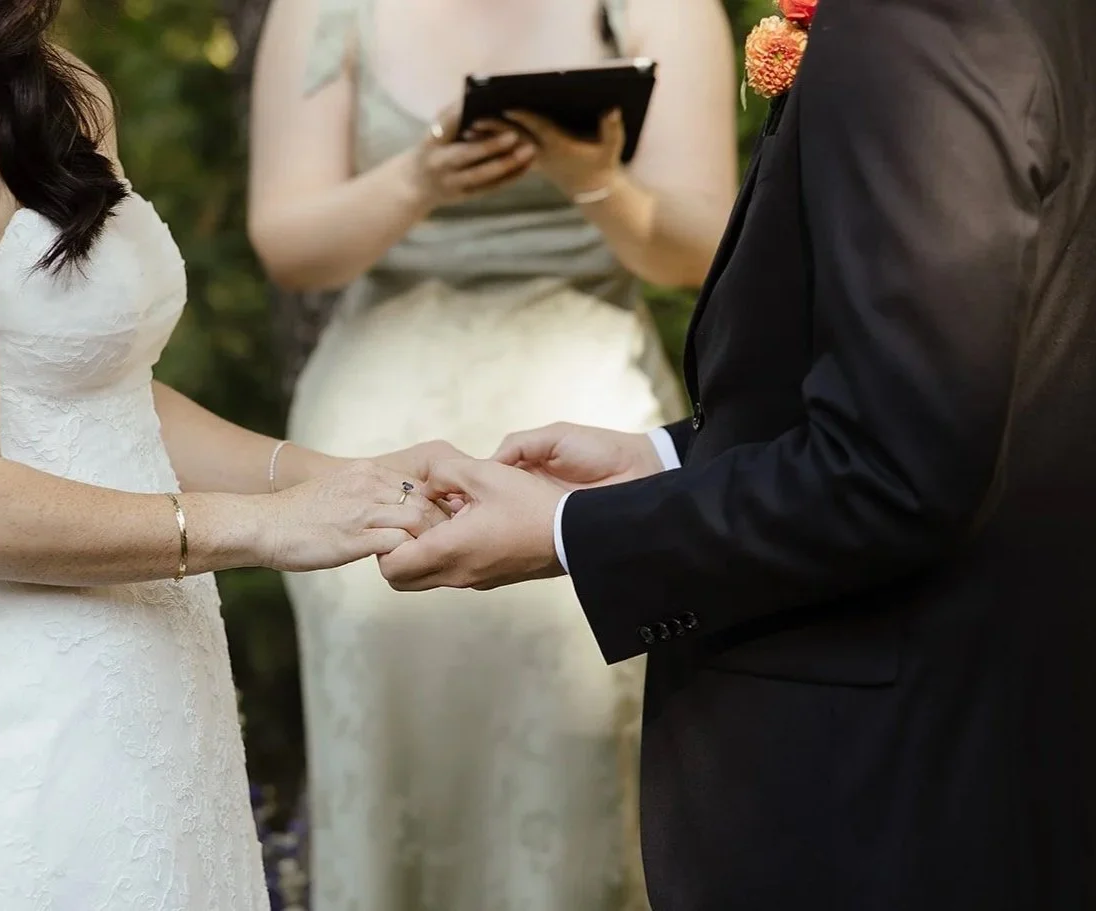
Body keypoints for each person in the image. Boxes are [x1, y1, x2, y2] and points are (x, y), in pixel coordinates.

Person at [380, 0, 1096, 908]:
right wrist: (675, 459)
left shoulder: (914, 23)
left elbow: (896, 469)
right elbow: (984, 379)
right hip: (1006, 723)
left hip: (875, 779)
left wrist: (573, 529)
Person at [0, 1, 450, 909]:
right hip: (24, 729)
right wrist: (267, 528)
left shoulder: (50, 80)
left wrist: (341, 478)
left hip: (160, 682)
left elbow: (98, 381)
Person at [247, 0, 736, 906]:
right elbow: (288, 246)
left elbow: (701, 249)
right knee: (390, 749)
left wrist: (596, 182)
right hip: (378, 411)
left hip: (584, 407)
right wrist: (419, 181)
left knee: (583, 742)